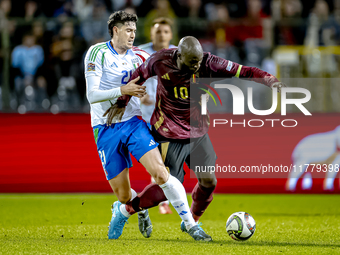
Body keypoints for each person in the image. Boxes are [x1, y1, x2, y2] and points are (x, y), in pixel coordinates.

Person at [105, 36, 285, 236]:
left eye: (198, 62)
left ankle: (193, 219)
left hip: (198, 133)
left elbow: (245, 71)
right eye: (191, 63)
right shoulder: (160, 60)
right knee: (167, 187)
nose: (196, 67)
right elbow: (137, 75)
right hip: (168, 133)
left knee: (209, 182)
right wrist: (122, 101)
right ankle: (124, 210)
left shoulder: (210, 63)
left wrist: (270, 80)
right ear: (179, 55)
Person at [84, 11, 212, 241]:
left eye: (135, 30)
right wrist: (124, 90)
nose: (133, 35)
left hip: (134, 123)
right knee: (123, 195)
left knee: (162, 174)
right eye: (128, 31)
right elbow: (92, 95)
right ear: (115, 30)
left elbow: (174, 74)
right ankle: (132, 209)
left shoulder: (141, 56)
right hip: (104, 127)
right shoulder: (97, 52)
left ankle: (192, 226)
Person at [138, 17, 176, 214]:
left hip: (168, 117)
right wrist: (138, 94)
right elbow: (130, 76)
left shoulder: (178, 54)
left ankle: (161, 201)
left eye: (165, 31)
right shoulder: (140, 52)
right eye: (158, 31)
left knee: (162, 161)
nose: (161, 34)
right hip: (143, 118)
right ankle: (154, 200)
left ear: (170, 35)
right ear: (151, 33)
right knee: (157, 161)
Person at [286, 125, 340, 192]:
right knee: (302, 168)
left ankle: (328, 186)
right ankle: (292, 186)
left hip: (320, 154)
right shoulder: (327, 142)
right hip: (304, 152)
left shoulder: (336, 151)